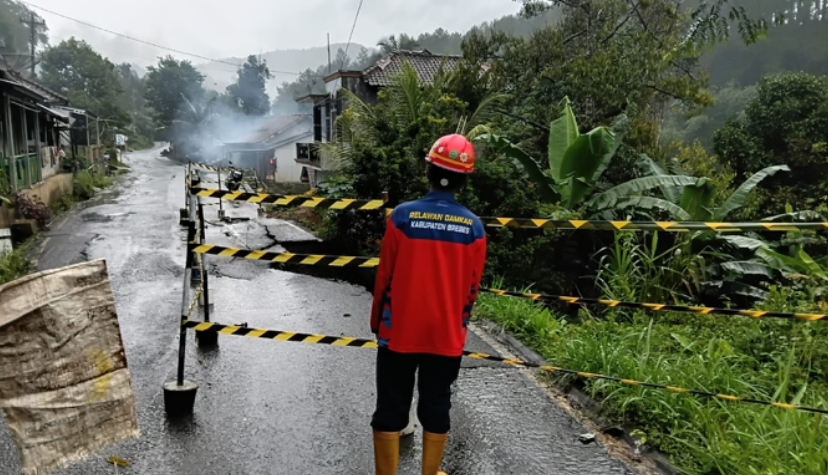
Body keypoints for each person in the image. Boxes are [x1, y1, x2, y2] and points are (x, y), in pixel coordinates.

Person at [370, 134, 487, 475]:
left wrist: (378, 321)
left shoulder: (402, 218)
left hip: (398, 333)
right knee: (437, 405)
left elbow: (384, 277)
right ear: (464, 180)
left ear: (429, 171)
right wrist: (458, 328)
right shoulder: (474, 229)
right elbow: (471, 291)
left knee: (390, 407)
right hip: (445, 338)